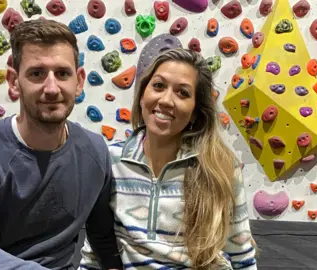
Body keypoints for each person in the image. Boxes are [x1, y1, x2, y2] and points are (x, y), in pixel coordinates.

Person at [0, 19, 123, 270]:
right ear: (14, 81)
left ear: (79, 81)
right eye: (37, 73)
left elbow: (103, 238)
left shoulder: (94, 151)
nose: (51, 88)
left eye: (62, 74)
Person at [79, 48, 257, 270]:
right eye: (159, 86)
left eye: (182, 93)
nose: (166, 100)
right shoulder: (110, 160)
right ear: (143, 95)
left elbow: (243, 256)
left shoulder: (222, 167)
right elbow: (94, 253)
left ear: (194, 112)